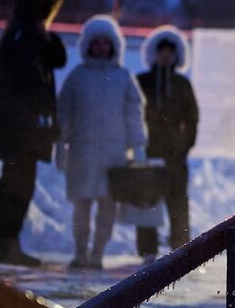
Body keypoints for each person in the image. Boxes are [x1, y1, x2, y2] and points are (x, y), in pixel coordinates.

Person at [0, 0, 66, 267]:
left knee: (17, 183)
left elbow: (58, 59)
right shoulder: (22, 37)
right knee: (16, 185)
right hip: (19, 127)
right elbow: (29, 81)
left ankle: (1, 242)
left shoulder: (25, 34)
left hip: (23, 127)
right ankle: (1, 243)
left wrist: (46, 35)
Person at [57, 15, 147, 270]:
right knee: (81, 208)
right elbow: (64, 113)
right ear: (88, 44)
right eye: (95, 43)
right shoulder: (76, 77)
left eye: (104, 43)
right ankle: (80, 252)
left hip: (114, 155)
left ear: (113, 45)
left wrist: (138, 145)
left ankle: (97, 254)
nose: (100, 47)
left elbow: (134, 113)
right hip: (81, 154)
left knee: (107, 209)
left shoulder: (123, 77)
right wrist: (60, 146)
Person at [135, 26, 199, 262]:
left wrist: (184, 145)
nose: (165, 56)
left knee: (178, 201)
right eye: (161, 51)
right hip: (148, 151)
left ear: (176, 55)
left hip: (175, 154)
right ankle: (147, 250)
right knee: (147, 200)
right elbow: (134, 112)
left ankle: (180, 248)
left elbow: (192, 118)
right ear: (154, 52)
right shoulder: (142, 81)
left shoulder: (182, 84)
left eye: (170, 51)